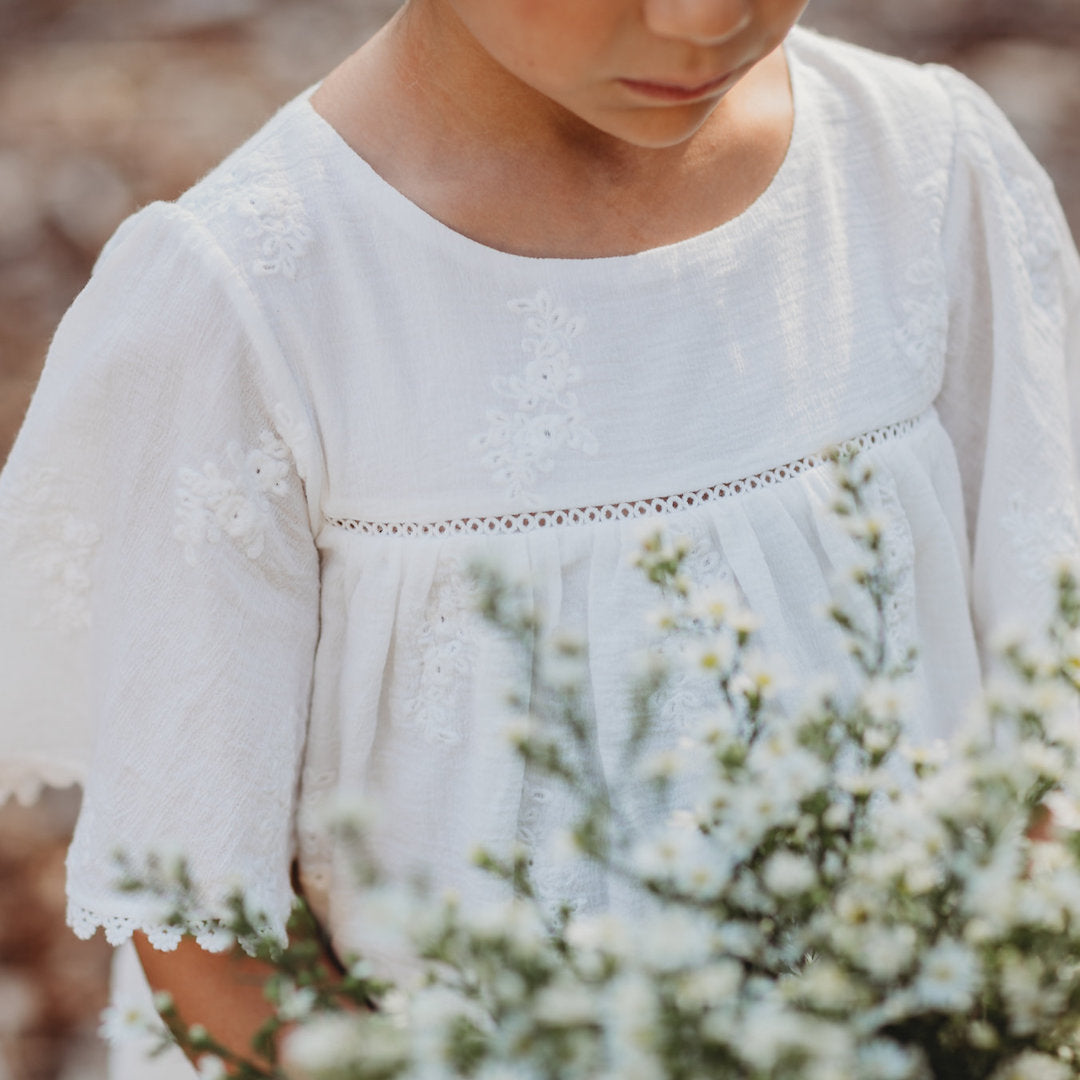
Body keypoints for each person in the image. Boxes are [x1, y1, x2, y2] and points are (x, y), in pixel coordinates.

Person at [2, 0, 1079, 1075]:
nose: (705, 15)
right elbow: (205, 928)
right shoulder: (254, 304)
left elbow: (1050, 720)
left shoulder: (922, 178)